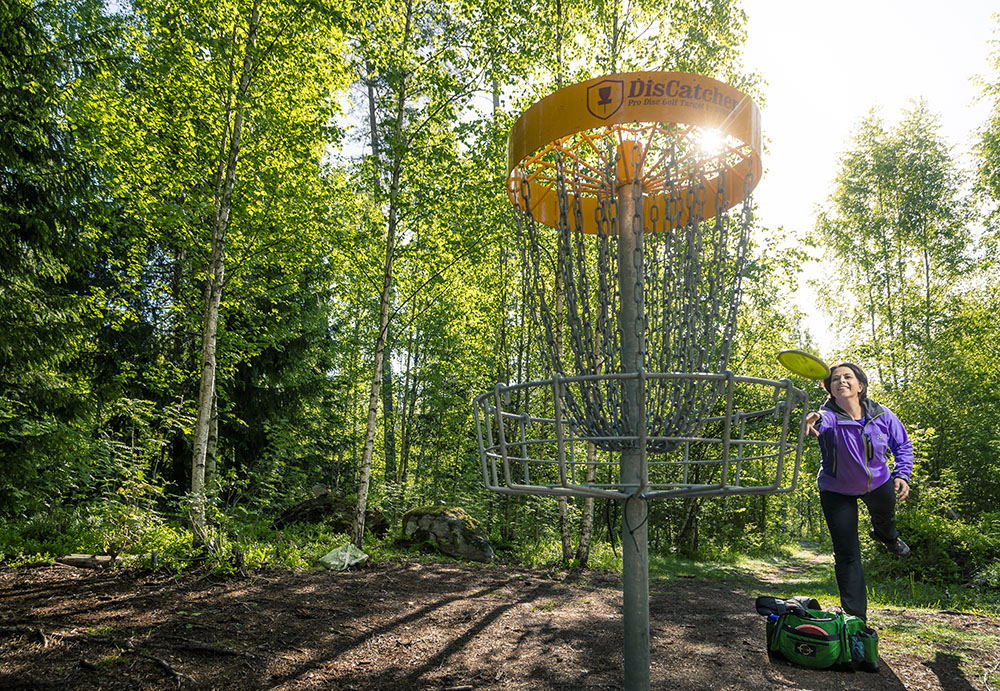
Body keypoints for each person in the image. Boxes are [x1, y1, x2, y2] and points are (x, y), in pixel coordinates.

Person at [804, 362, 912, 622]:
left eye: (847, 377)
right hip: (836, 490)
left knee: (886, 520)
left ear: (860, 385)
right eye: (835, 379)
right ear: (830, 389)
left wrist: (902, 475)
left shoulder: (881, 414)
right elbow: (823, 419)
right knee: (847, 553)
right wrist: (813, 419)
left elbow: (903, 444)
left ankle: (886, 537)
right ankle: (856, 620)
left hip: (878, 483)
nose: (841, 381)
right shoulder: (827, 415)